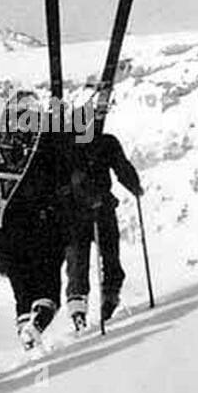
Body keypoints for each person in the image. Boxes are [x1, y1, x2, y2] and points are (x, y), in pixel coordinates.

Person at [0, 90, 72, 351]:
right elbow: (61, 188)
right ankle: (37, 325)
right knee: (48, 289)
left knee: (22, 291)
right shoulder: (43, 156)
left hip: (6, 235)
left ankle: (27, 334)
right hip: (41, 229)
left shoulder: (0, 165)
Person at [64, 123, 143, 328]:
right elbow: (122, 168)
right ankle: (102, 297)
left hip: (85, 211)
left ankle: (87, 302)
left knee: (83, 259)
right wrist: (133, 185)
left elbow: (121, 168)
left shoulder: (70, 144)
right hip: (88, 211)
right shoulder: (104, 142)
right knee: (93, 258)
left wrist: (133, 184)